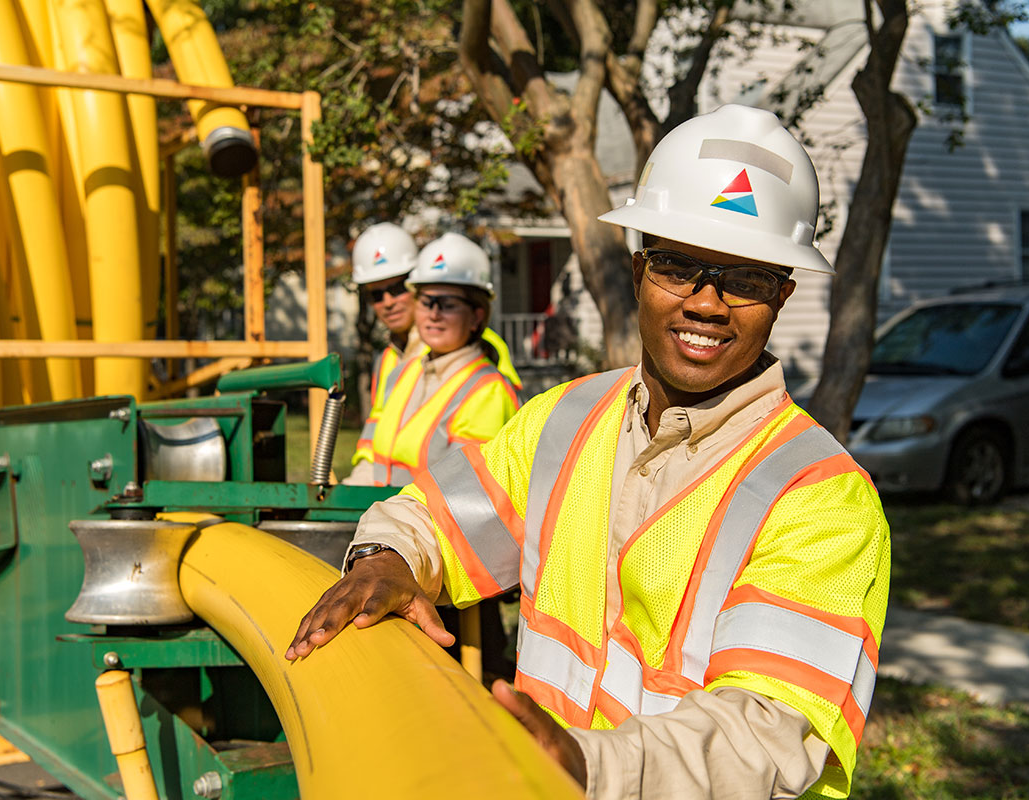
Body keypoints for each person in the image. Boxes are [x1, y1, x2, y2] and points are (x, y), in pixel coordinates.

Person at [291, 104, 890, 800]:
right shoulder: (564, 421)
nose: (707, 302)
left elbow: (766, 735)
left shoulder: (821, 498)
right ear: (638, 271)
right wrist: (390, 560)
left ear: (781, 298)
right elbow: (437, 518)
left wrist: (586, 765)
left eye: (746, 280)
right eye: (677, 265)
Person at [345, 233, 522, 487]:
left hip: (424, 523)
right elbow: (375, 442)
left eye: (448, 304)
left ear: (476, 317)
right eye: (427, 303)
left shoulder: (488, 386)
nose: (434, 315)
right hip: (382, 513)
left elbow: (465, 489)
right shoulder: (402, 370)